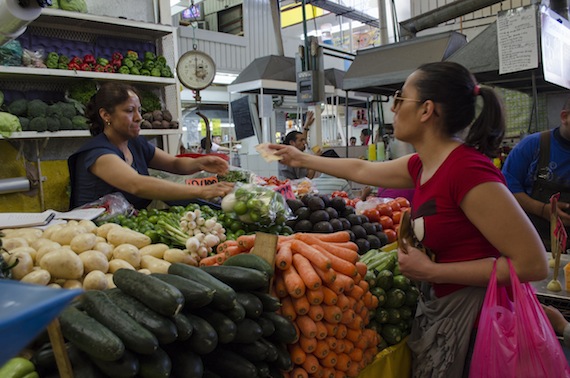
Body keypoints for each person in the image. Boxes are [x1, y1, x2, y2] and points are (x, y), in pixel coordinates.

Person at [269, 61, 548, 376]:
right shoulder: (423, 164)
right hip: (448, 310)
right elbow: (363, 170)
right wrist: (301, 158)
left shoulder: (466, 170)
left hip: (480, 323)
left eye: (400, 99)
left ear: (427, 110)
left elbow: (532, 263)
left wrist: (434, 271)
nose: (393, 108)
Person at [68, 82, 234, 210]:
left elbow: (174, 164)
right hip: (93, 235)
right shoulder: (98, 154)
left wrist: (200, 163)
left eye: (139, 110)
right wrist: (202, 191)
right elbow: (137, 184)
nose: (139, 117)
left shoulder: (135, 144)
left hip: (125, 227)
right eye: (129, 111)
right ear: (105, 115)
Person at [502, 98, 570, 250]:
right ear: (565, 117)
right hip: (536, 243)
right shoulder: (533, 146)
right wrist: (542, 209)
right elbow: (506, 190)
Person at [278, 111, 316, 180]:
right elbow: (306, 180)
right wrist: (314, 163)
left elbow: (301, 138)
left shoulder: (287, 154)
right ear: (292, 143)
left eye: (304, 140)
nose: (304, 142)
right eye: (301, 141)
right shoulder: (290, 158)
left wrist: (306, 125)